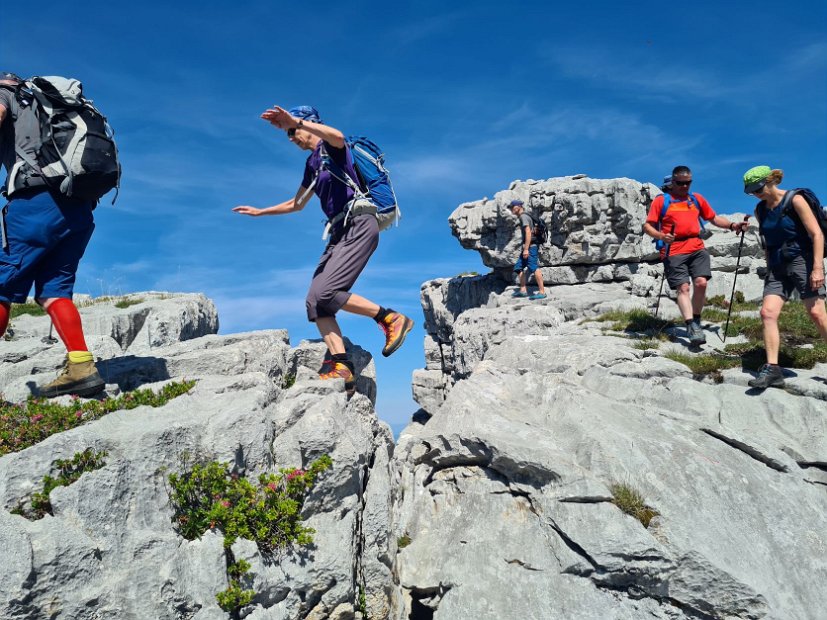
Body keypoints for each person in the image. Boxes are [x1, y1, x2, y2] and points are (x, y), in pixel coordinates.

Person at [233, 105, 414, 394]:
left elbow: (338, 136)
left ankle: (390, 318)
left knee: (328, 292)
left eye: (294, 132)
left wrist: (296, 121)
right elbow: (297, 203)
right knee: (315, 301)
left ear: (309, 124)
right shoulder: (312, 165)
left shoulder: (333, 148)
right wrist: (260, 212)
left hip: (359, 222)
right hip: (339, 231)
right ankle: (341, 364)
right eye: (288, 133)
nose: (291, 137)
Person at [0, 72, 104, 397]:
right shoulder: (54, 107)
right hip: (78, 210)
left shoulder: (7, 96)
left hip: (35, 204)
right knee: (55, 291)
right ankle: (81, 366)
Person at [743, 165, 827, 389]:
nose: (756, 193)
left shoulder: (795, 200)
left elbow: (816, 234)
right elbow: (769, 242)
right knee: (767, 312)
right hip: (777, 267)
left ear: (771, 181)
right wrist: (769, 267)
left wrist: (817, 268)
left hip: (803, 261)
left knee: (817, 313)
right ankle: (773, 370)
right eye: (751, 190)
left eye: (758, 188)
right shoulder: (760, 210)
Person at [643, 165, 747, 345]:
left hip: (697, 246)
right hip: (673, 249)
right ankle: (691, 325)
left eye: (688, 183)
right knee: (683, 288)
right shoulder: (661, 201)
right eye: (680, 183)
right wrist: (661, 236)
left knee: (701, 283)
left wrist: (732, 225)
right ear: (673, 182)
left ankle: (696, 320)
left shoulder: (696, 199)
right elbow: (648, 225)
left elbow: (713, 218)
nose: (684, 186)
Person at [509, 199, 547, 300]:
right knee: (518, 267)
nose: (511, 209)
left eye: (513, 206)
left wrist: (526, 249)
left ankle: (542, 292)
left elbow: (528, 233)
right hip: (528, 247)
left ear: (518, 207)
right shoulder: (525, 216)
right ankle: (523, 290)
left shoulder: (523, 216)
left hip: (530, 247)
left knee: (534, 267)